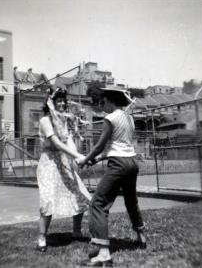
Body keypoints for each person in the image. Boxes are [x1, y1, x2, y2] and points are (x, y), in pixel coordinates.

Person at [77, 88, 146, 267]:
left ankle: (104, 254)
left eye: (103, 102)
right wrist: (97, 159)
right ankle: (141, 236)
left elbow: (100, 146)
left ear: (109, 101)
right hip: (131, 163)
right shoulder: (128, 118)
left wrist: (85, 159)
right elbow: (119, 146)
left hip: (119, 165)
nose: (102, 106)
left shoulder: (110, 118)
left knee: (98, 204)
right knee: (131, 201)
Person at [36, 87, 91, 252]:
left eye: (63, 101)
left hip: (63, 161)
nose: (62, 103)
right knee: (48, 201)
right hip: (49, 163)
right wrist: (76, 156)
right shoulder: (45, 121)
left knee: (78, 193)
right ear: (51, 103)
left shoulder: (63, 120)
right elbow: (56, 143)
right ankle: (41, 238)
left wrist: (77, 157)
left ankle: (76, 232)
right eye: (58, 101)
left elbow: (67, 141)